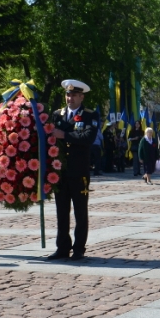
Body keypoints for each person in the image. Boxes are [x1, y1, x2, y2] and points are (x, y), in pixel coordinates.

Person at [48, 80, 97, 261]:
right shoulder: (57, 115)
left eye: (74, 95)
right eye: (68, 95)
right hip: (60, 172)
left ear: (81, 97)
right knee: (61, 211)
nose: (70, 98)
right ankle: (62, 247)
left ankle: (78, 248)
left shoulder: (89, 115)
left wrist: (65, 135)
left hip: (79, 171)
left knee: (80, 211)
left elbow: (88, 137)